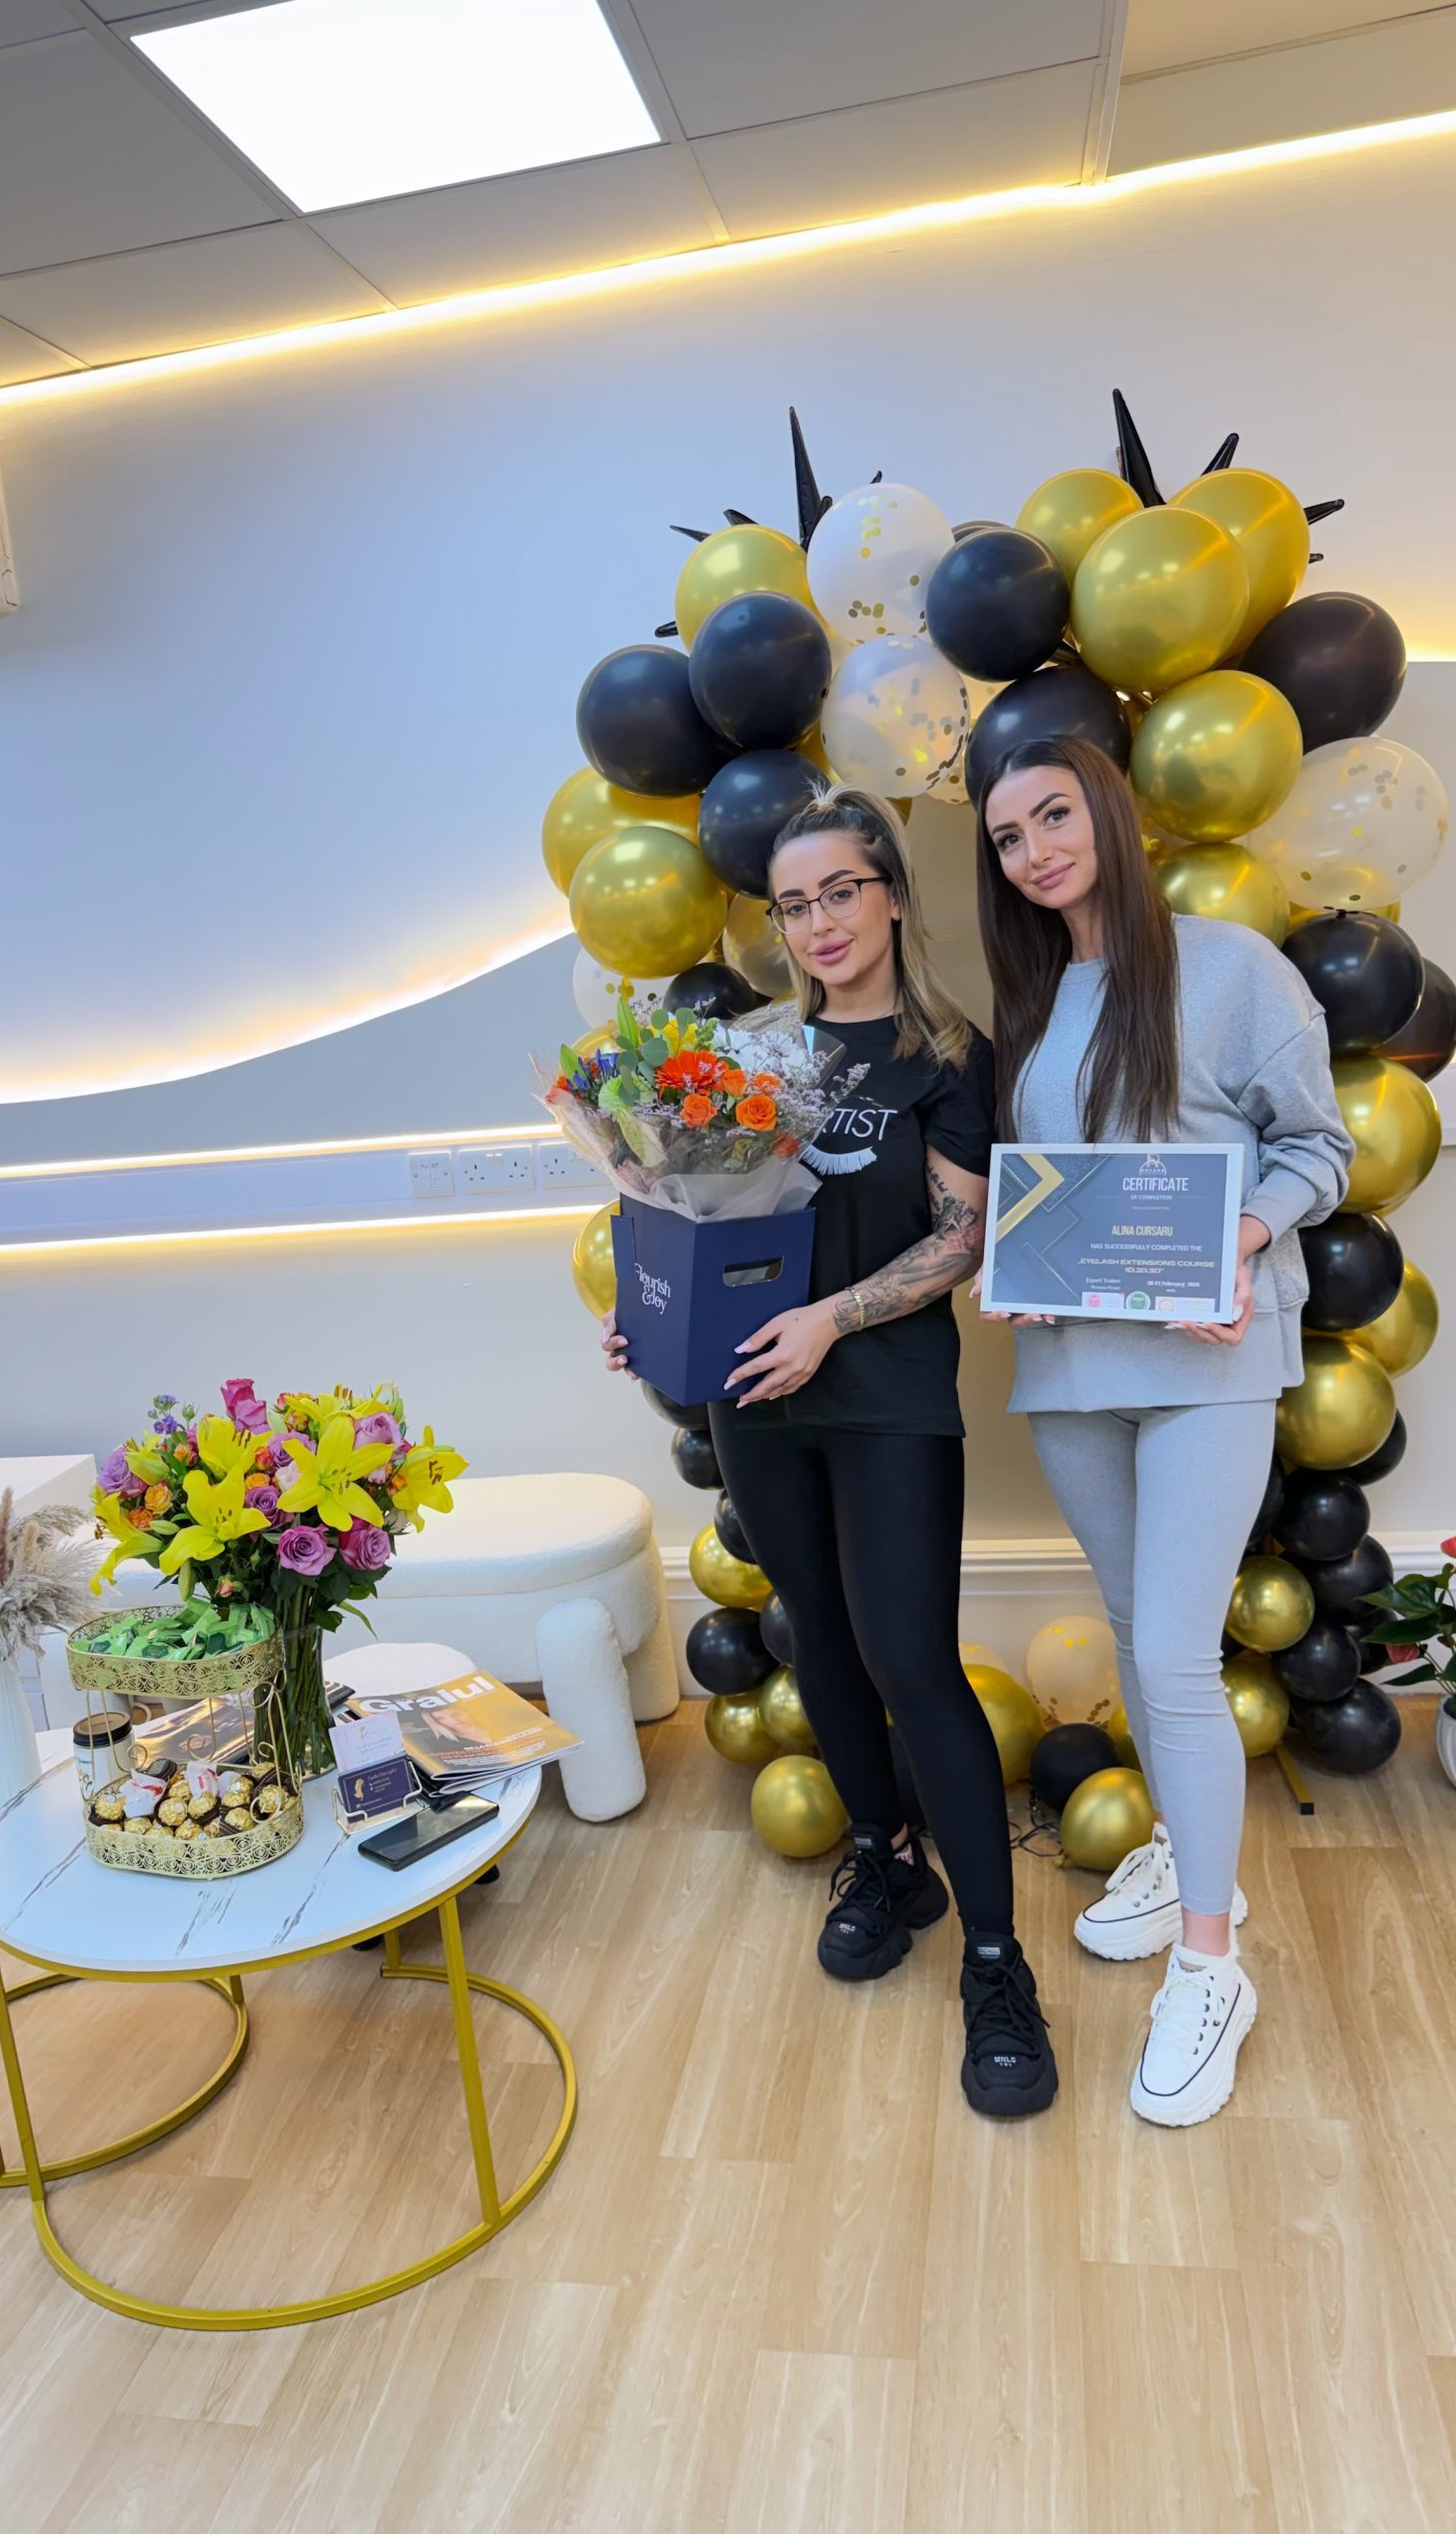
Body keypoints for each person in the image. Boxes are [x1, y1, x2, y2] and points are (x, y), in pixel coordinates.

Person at [603, 782, 1056, 2120]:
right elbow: (695, 1216)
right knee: (823, 1638)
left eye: (841, 892)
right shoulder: (749, 1055)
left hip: (886, 1394)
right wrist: (655, 1317)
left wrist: (832, 1322)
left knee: (913, 1660)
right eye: (793, 904)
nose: (818, 924)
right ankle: (887, 1856)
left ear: (893, 895)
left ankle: (996, 1964)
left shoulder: (953, 1058)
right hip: (755, 1396)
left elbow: (961, 1242)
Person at [973, 735, 1351, 2128]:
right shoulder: (1034, 999)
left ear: (1112, 813)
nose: (1035, 851)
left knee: (1181, 1658)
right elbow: (1050, 1187)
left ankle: (1210, 1963)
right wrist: (1023, 1262)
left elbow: (1317, 1147)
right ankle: (1198, 1864)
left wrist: (1237, 1241)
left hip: (1209, 1360)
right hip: (1074, 1367)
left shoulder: (1232, 968)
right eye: (1008, 837)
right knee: (1137, 1634)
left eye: (1053, 815)